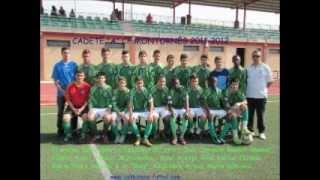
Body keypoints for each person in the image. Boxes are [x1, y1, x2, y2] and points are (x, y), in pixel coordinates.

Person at [83, 72, 117, 144]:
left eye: (102, 78)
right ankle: (96, 134)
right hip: (95, 108)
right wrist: (90, 109)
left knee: (107, 118)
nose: (101, 79)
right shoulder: (93, 88)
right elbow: (90, 100)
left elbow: (112, 99)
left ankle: (104, 134)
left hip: (105, 108)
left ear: (105, 79)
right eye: (99, 78)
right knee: (90, 117)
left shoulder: (109, 88)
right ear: (97, 79)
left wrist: (110, 107)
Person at [246, 50, 273, 140]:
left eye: (257, 56)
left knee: (260, 115)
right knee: (250, 115)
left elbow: (270, 81)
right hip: (249, 95)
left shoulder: (265, 67)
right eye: (254, 56)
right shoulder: (248, 68)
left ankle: (261, 132)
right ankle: (250, 131)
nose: (255, 58)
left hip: (261, 96)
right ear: (252, 57)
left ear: (260, 57)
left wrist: (263, 90)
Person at [51, 47, 78, 137]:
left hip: (72, 92)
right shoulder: (57, 65)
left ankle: (74, 128)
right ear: (62, 54)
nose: (66, 54)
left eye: (68, 53)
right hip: (61, 92)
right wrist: (61, 90)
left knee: (73, 111)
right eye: (64, 53)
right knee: (60, 111)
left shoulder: (74, 65)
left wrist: (72, 89)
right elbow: (55, 80)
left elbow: (77, 79)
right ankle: (60, 129)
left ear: (70, 54)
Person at [128, 77, 158, 147]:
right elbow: (130, 104)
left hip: (144, 111)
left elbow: (151, 103)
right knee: (132, 119)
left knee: (152, 118)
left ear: (143, 83)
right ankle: (138, 138)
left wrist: (150, 114)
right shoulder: (132, 91)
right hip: (135, 111)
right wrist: (130, 114)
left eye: (141, 83)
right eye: (138, 83)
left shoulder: (146, 91)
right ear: (135, 84)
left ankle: (145, 138)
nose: (140, 85)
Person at [62, 70, 90, 142]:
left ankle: (83, 134)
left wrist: (81, 109)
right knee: (66, 118)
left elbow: (87, 100)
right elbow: (68, 100)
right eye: (78, 75)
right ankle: (68, 135)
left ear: (84, 77)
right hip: (72, 107)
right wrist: (74, 109)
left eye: (81, 76)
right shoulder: (70, 86)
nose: (79, 77)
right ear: (75, 76)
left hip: (83, 107)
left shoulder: (87, 86)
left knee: (85, 117)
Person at [219, 78, 249, 145]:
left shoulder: (239, 92)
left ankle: (244, 128)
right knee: (233, 116)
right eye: (233, 85)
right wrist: (235, 109)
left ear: (238, 85)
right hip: (224, 110)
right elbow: (226, 106)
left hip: (235, 110)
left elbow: (246, 101)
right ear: (230, 85)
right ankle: (235, 137)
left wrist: (239, 104)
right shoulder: (225, 92)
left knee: (244, 106)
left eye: (236, 85)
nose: (235, 86)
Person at [202, 76, 226, 144]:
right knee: (211, 115)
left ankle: (221, 136)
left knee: (230, 115)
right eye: (212, 81)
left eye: (215, 82)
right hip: (210, 109)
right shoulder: (207, 90)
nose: (214, 83)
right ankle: (214, 137)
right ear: (209, 82)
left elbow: (223, 101)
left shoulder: (219, 90)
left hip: (219, 109)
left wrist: (227, 109)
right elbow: (204, 100)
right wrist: (208, 110)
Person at [150, 75, 171, 142]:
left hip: (163, 107)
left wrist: (168, 105)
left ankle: (163, 132)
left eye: (164, 81)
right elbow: (150, 99)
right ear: (157, 81)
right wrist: (152, 106)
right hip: (155, 107)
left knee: (168, 118)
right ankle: (155, 134)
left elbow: (169, 99)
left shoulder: (166, 89)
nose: (162, 83)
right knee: (155, 118)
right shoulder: (153, 89)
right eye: (161, 81)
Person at [169, 77, 189, 145]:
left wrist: (187, 111)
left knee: (186, 118)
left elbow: (186, 101)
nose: (176, 85)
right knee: (172, 118)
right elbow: (169, 103)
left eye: (177, 83)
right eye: (174, 83)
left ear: (179, 83)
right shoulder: (171, 90)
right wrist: (172, 111)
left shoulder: (183, 89)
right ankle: (174, 137)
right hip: (174, 108)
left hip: (182, 108)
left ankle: (181, 137)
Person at [112, 76, 131, 144]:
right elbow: (113, 103)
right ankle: (117, 135)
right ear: (118, 83)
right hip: (117, 111)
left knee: (126, 118)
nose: (122, 84)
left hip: (125, 111)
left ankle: (123, 135)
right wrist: (118, 111)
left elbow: (129, 104)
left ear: (125, 83)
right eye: (120, 83)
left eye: (123, 83)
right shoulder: (115, 91)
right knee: (112, 119)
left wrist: (124, 111)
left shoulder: (129, 92)